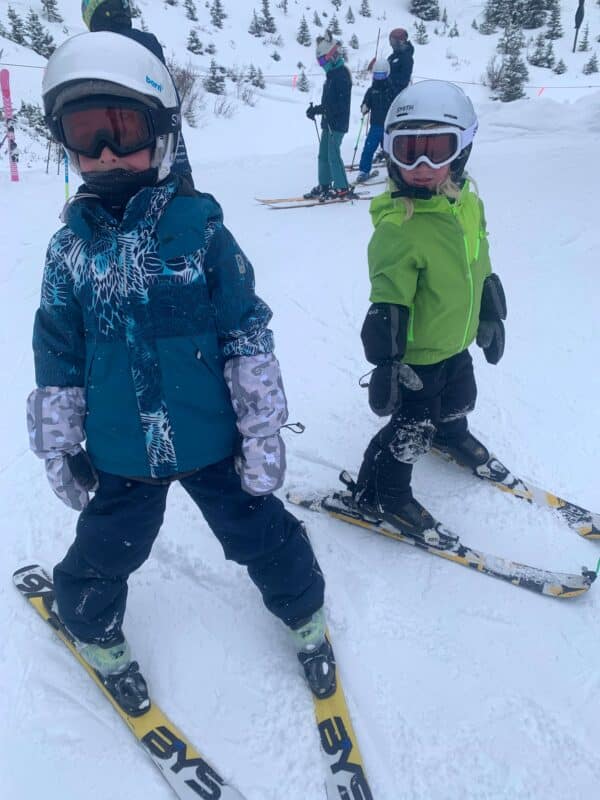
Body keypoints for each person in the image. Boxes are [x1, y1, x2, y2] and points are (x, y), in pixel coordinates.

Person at [27, 31, 336, 714]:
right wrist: (61, 441)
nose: (106, 154)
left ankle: (305, 612)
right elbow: (57, 348)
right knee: (106, 551)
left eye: (123, 130)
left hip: (211, 442)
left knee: (261, 533)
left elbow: (245, 330)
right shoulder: (68, 250)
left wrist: (259, 431)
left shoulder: (199, 231)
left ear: (162, 131)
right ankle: (92, 627)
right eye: (86, 134)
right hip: (121, 452)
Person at [350, 80, 507, 538]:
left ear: (461, 153)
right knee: (410, 426)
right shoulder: (399, 228)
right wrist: (387, 363)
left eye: (436, 150)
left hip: (455, 340)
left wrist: (490, 311)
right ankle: (383, 492)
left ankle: (451, 433)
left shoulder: (467, 205)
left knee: (460, 395)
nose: (420, 166)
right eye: (407, 151)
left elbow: (481, 260)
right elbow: (388, 301)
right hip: (417, 355)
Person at [81, 0, 194, 186]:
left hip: (128, 145)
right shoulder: (147, 42)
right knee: (183, 193)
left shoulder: (96, 50)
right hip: (168, 137)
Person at [303, 32, 354, 201]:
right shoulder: (331, 75)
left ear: (332, 57)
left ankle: (341, 188)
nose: (321, 65)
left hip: (337, 123)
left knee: (333, 154)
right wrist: (317, 110)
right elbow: (328, 102)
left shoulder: (341, 75)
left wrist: (323, 110)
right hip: (328, 121)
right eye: (319, 62)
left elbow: (339, 104)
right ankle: (324, 184)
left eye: (323, 61)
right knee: (323, 154)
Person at [356, 59, 394, 183]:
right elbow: (366, 103)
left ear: (387, 74)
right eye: (376, 75)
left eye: (381, 75)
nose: (379, 78)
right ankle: (363, 171)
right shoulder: (372, 90)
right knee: (369, 148)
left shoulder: (391, 90)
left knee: (390, 150)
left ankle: (395, 172)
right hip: (376, 126)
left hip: (389, 126)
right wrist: (364, 107)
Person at [387, 28, 414, 97]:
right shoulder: (392, 57)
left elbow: (404, 79)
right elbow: (385, 70)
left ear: (401, 41)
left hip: (399, 96)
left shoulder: (406, 57)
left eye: (394, 41)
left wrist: (387, 77)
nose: (392, 45)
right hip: (387, 92)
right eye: (391, 41)